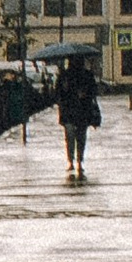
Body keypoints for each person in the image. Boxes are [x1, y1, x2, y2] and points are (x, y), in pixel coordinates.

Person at [58, 46, 102, 177]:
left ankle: (79, 161)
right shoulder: (64, 76)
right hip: (70, 111)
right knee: (72, 136)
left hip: (82, 110)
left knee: (79, 137)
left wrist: (85, 94)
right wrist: (65, 90)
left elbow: (93, 92)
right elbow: (58, 94)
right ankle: (71, 160)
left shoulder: (87, 75)